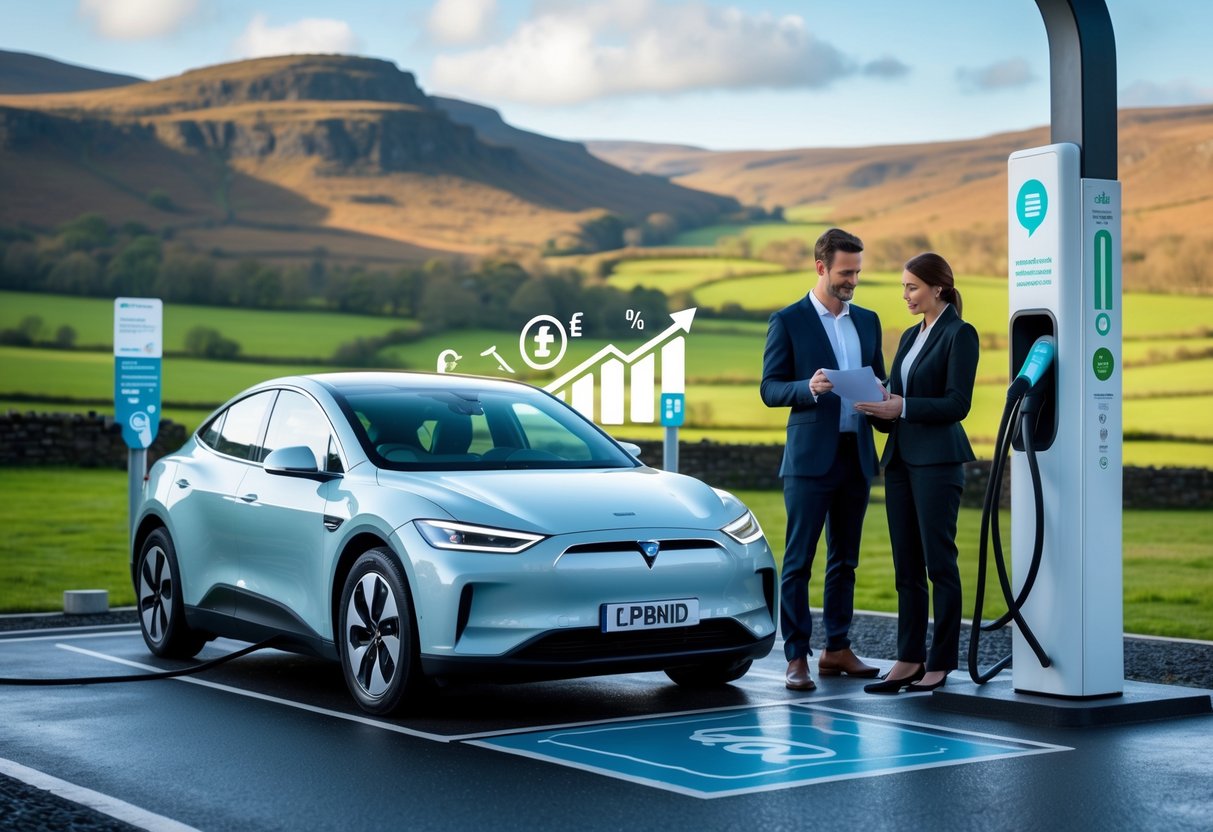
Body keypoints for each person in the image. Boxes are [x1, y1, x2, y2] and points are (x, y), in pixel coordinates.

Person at [761, 227, 887, 691]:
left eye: (857, 271)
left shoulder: (868, 321)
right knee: (798, 561)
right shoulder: (788, 320)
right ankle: (796, 656)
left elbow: (878, 376)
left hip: (856, 456)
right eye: (845, 272)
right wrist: (807, 389)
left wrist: (883, 393)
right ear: (820, 267)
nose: (853, 279)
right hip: (809, 460)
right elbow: (770, 388)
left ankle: (837, 648)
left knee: (845, 560)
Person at [856, 252, 980, 694]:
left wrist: (903, 405)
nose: (905, 295)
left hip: (938, 462)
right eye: (903, 287)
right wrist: (874, 403)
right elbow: (898, 403)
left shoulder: (960, 334)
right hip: (901, 461)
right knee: (905, 567)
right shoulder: (910, 337)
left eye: (912, 287)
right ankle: (908, 658)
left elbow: (956, 403)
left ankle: (940, 661)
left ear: (938, 288)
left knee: (939, 564)